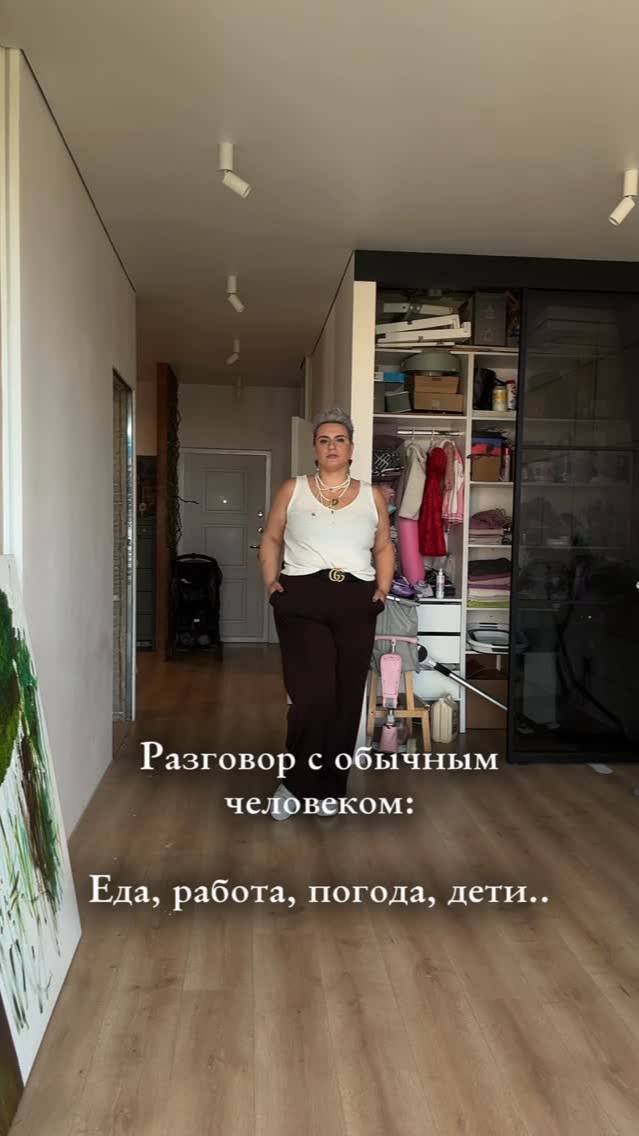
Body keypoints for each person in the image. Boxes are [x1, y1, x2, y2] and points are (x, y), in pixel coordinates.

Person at [259, 407, 395, 820]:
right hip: (303, 598)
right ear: (315, 450)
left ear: (351, 449)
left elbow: (383, 545)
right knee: (312, 696)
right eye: (324, 440)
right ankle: (296, 784)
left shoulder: (372, 495)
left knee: (345, 699)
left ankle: (331, 787)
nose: (332, 446)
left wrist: (383, 590)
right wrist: (271, 582)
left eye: (339, 440)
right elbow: (272, 537)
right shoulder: (293, 489)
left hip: (355, 599)